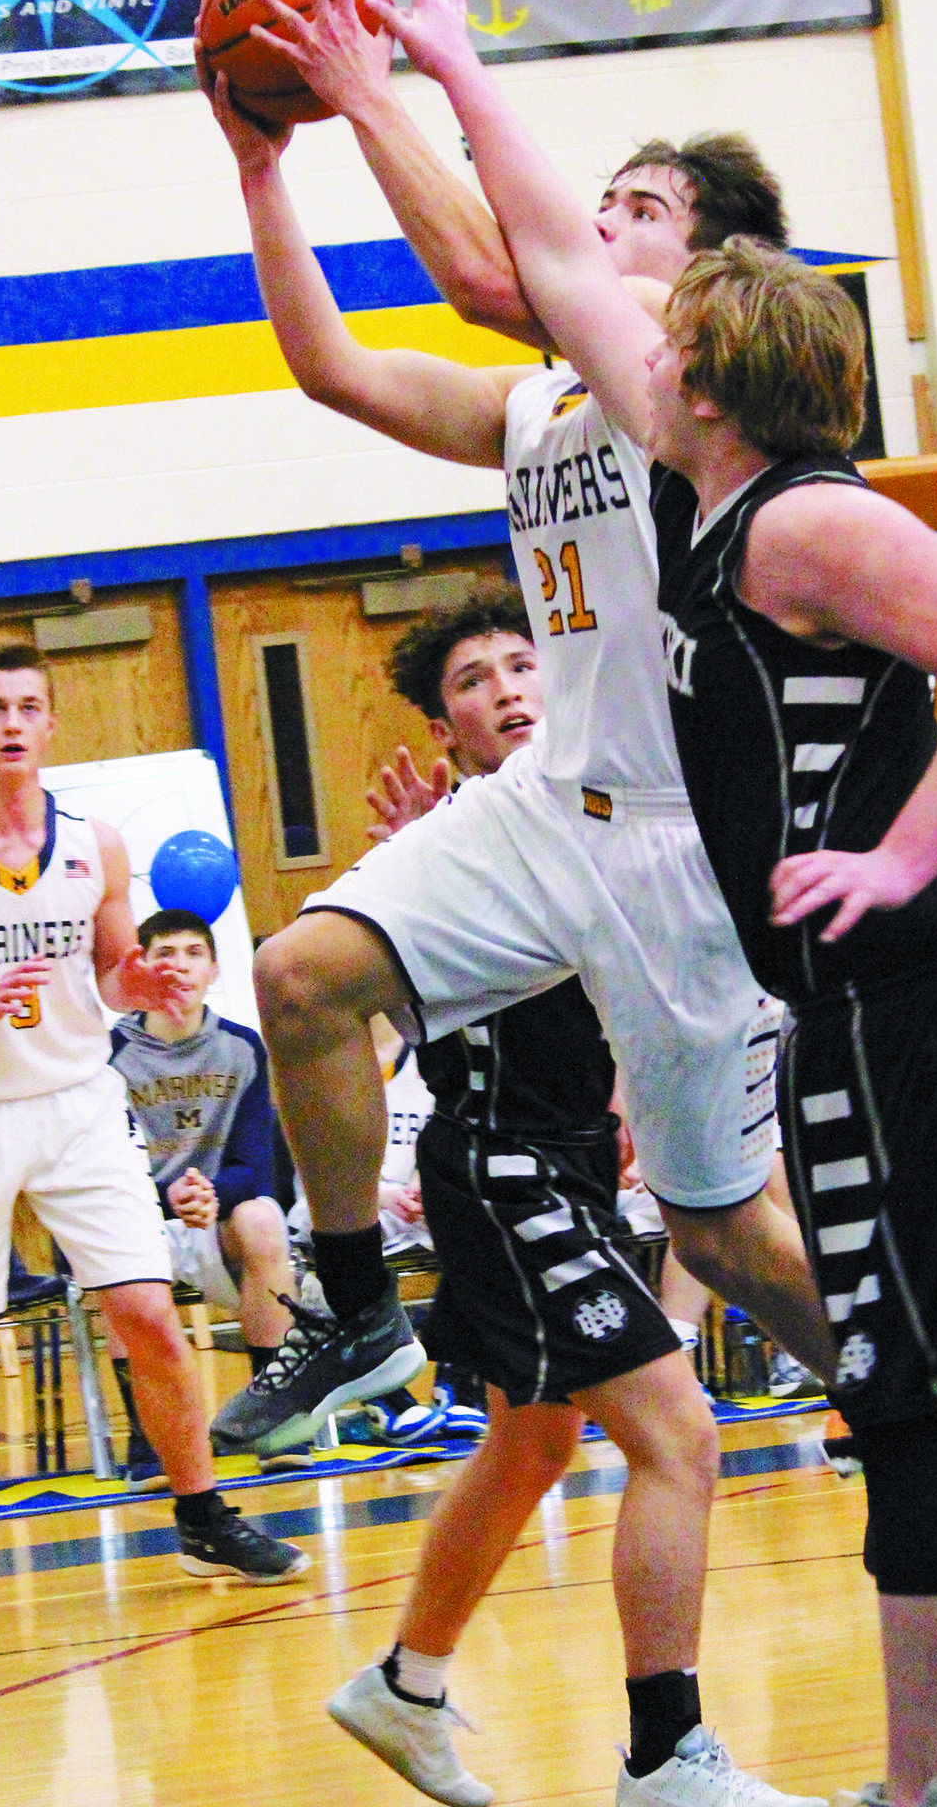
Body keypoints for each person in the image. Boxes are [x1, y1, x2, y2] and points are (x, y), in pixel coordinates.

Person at [366, 0, 937, 1807]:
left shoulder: (809, 517)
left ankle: (925, 1785)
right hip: (933, 994)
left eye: (663, 338)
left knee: (911, 1393)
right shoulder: (702, 478)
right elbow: (535, 255)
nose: (628, 342)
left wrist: (903, 853)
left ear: (715, 378)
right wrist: (447, 65)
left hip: (904, 1006)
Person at [201, 0, 844, 1467]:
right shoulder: (535, 408)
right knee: (299, 978)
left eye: (638, 205)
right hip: (557, 799)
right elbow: (332, 366)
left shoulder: (684, 367)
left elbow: (498, 273)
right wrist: (261, 166)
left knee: (722, 1228)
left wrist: (366, 83)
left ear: (704, 269)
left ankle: (904, 1393)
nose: (601, 217)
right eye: (601, 199)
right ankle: (356, 1311)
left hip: (686, 843)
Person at [283, 588, 815, 1807]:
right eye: (472, 681)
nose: (507, 689)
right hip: (499, 1162)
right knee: (679, 1436)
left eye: (523, 665)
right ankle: (663, 1757)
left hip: (566, 1152)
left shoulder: (598, 806)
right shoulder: (456, 847)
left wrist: (637, 1091)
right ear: (448, 728)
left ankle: (402, 1687)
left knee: (529, 1442)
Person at [0, 644, 306, 1630]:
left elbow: (111, 970)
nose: (13, 722)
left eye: (29, 705)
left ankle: (200, 1514)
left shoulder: (95, 843)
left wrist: (136, 987)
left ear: (52, 723)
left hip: (76, 1104)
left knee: (148, 1312)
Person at [107, 907, 301, 1469]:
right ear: (141, 970)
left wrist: (210, 1193)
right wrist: (164, 1196)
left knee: (264, 1218)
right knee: (111, 1244)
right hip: (141, 1220)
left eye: (194, 953)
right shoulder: (108, 1057)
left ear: (214, 970)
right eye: (163, 953)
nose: (180, 966)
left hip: (217, 1217)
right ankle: (148, 1443)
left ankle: (272, 1421)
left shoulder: (241, 1048)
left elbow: (259, 1167)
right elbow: (100, 1167)